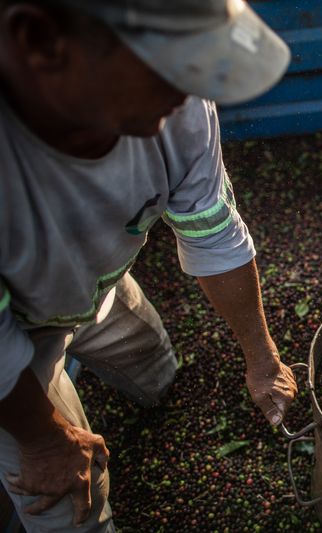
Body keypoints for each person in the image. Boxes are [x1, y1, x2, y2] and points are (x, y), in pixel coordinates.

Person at [0, 0, 298, 530]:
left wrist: (262, 356)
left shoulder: (176, 103)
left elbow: (214, 235)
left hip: (99, 285)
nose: (194, 84)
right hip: (14, 354)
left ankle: (157, 397)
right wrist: (44, 440)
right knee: (70, 505)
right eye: (169, 59)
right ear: (40, 41)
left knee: (155, 365)